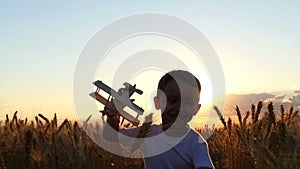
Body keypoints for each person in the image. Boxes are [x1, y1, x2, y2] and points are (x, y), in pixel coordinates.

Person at [104, 70, 214, 169]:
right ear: (157, 103)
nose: (179, 108)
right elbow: (111, 136)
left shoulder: (196, 143)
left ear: (196, 109)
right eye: (172, 100)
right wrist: (113, 115)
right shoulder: (146, 133)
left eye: (187, 102)